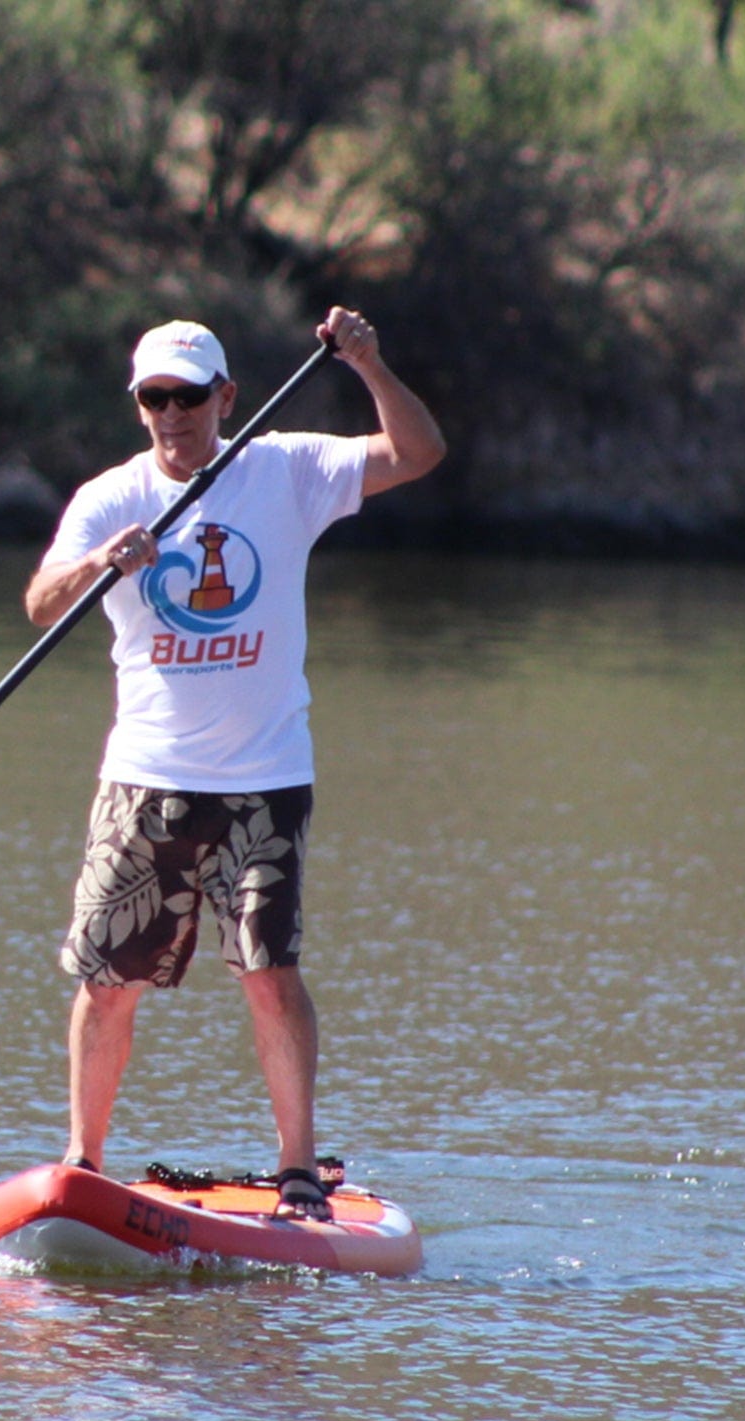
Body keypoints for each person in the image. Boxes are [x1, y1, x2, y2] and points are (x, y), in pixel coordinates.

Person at [24, 307, 446, 1219]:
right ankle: (83, 1163)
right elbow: (40, 604)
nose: (173, 416)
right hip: (144, 778)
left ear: (227, 397)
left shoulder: (284, 468)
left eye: (188, 397)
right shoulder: (110, 498)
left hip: (264, 780)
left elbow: (417, 454)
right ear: (138, 406)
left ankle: (299, 1176)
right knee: (109, 986)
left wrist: (370, 363)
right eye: (155, 399)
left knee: (268, 974)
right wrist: (102, 562)